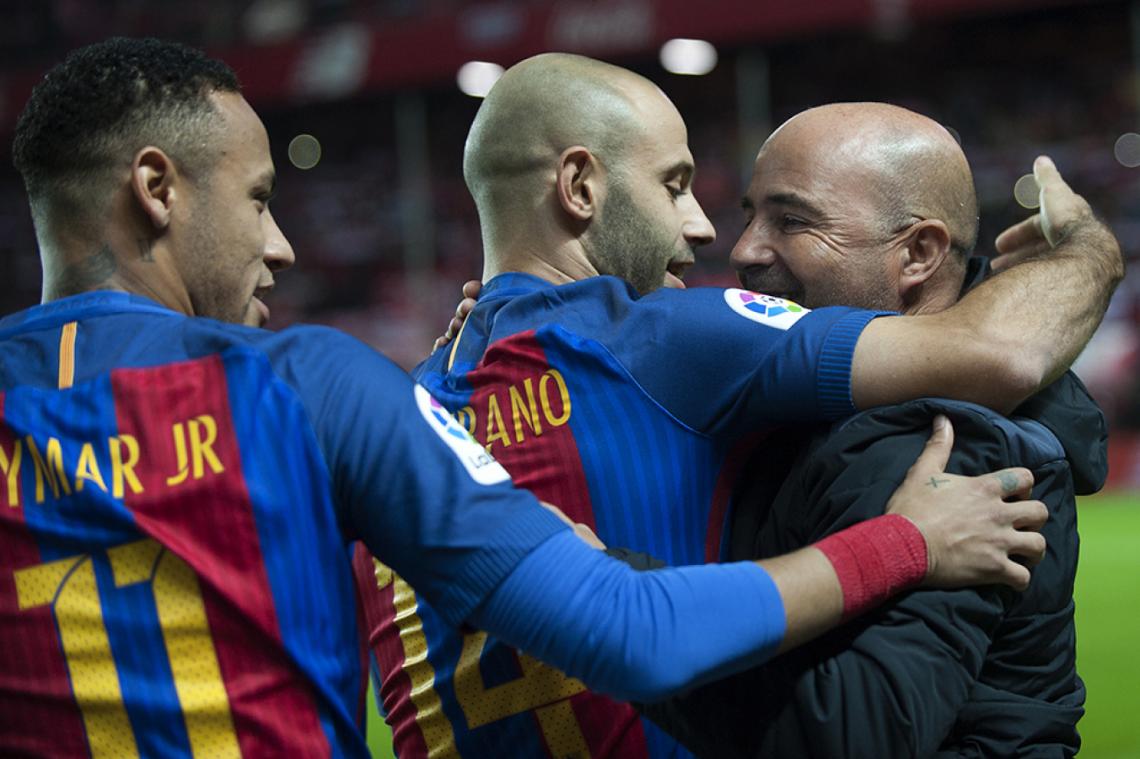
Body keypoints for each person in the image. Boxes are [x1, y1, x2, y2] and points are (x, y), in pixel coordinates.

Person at [0, 37, 1042, 759]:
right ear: (157, 187)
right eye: (262, 197)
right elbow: (629, 631)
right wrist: (905, 541)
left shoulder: (425, 379)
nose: (282, 244)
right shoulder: (317, 388)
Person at [357, 54, 1122, 758]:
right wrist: (1092, 249)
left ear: (920, 253)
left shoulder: (406, 409)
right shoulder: (670, 341)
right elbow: (1002, 350)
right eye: (674, 184)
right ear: (581, 186)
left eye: (788, 220)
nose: (713, 233)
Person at [621, 102, 1101, 757]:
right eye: (749, 215)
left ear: (919, 254)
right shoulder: (814, 398)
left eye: (791, 220)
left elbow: (846, 736)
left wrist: (605, 606)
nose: (744, 250)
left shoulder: (951, 454)